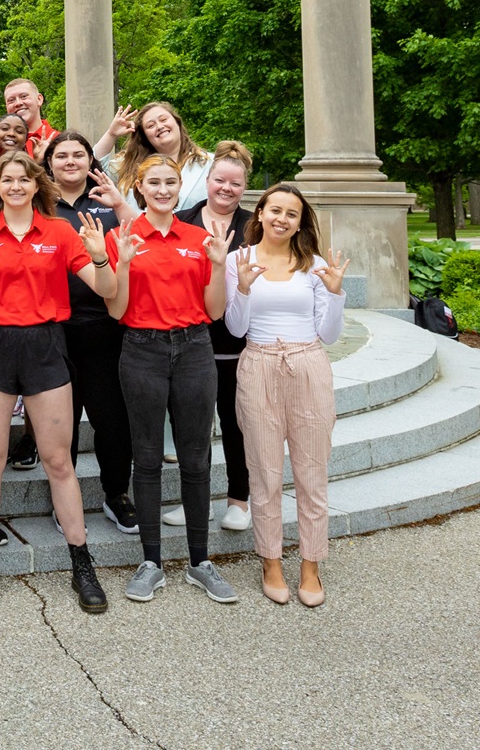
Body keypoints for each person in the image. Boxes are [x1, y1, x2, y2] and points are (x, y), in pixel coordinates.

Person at [0, 151, 118, 615]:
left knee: (59, 460)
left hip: (46, 344)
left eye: (25, 179)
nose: (17, 186)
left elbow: (106, 291)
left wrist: (102, 257)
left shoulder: (60, 231)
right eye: (8, 180)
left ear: (35, 185)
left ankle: (81, 564)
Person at [107, 155, 237, 605]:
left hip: (194, 349)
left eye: (171, 182)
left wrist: (218, 264)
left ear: (180, 187)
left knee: (196, 458)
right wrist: (122, 263)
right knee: (145, 458)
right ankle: (151, 563)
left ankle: (200, 562)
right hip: (141, 349)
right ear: (138, 186)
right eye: (154, 182)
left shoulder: (200, 238)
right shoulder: (121, 236)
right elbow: (116, 311)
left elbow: (216, 310)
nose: (163, 190)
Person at [227, 183, 349, 607]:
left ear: (300, 222)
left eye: (291, 213)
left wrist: (334, 293)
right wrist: (241, 288)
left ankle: (311, 566)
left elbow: (330, 334)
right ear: (259, 213)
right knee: (263, 471)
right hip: (258, 363)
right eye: (274, 210)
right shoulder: (237, 261)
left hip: (309, 365)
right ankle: (271, 562)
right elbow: (235, 329)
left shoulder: (313, 265)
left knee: (312, 472)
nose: (281, 218)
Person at [38, 132, 139, 534]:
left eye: (78, 154)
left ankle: (117, 494)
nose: (69, 162)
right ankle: (63, 500)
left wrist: (120, 205)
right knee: (60, 423)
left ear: (90, 161)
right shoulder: (38, 204)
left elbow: (145, 240)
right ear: (49, 163)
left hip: (104, 326)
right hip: (53, 329)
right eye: (60, 155)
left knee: (112, 419)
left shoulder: (109, 202)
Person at [176, 140, 257, 534]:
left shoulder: (255, 227)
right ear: (207, 181)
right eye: (220, 180)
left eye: (236, 184)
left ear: (245, 188)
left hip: (237, 342)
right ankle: (195, 501)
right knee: (192, 426)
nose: (227, 189)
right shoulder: (182, 221)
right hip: (189, 336)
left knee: (235, 421)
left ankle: (239, 501)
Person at [105, 101, 212, 213]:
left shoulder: (209, 163)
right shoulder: (128, 166)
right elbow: (94, 169)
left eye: (163, 119)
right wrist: (111, 135)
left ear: (177, 122)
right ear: (144, 136)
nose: (160, 126)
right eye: (151, 126)